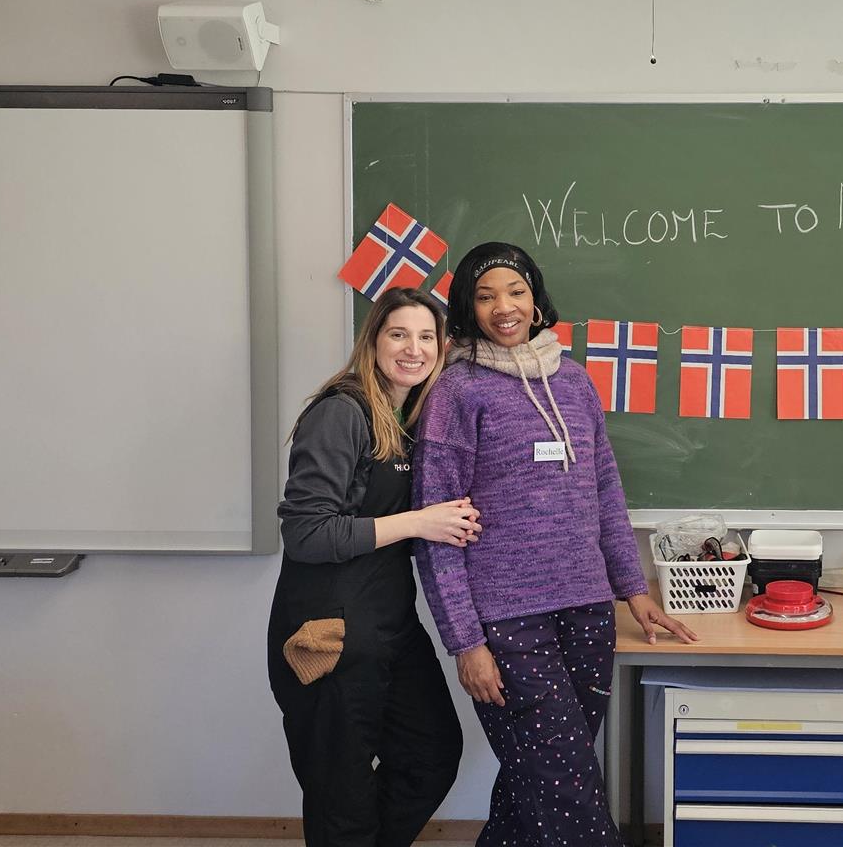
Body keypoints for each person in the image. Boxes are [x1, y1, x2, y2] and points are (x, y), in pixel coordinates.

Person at [413, 241, 696, 846]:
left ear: (536, 300)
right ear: (467, 308)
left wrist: (633, 590)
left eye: (516, 291)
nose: (504, 307)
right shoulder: (456, 391)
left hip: (588, 611)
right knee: (566, 788)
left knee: (539, 781)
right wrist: (465, 642)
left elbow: (605, 491)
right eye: (485, 296)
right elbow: (437, 531)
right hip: (506, 621)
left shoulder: (574, 380)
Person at [267, 286, 480, 847]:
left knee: (431, 753)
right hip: (328, 634)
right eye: (398, 334)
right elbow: (306, 532)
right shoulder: (341, 412)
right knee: (341, 799)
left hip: (390, 629)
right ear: (373, 340)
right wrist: (419, 522)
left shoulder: (408, 417)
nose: (414, 348)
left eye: (427, 337)